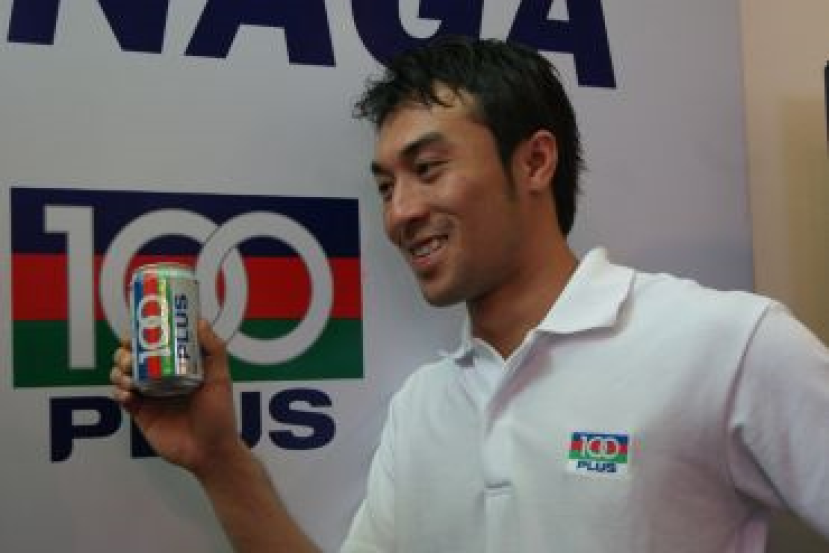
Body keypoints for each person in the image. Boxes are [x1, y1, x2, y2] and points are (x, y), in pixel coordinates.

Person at [111, 36, 829, 552]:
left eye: (427, 168)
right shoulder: (422, 406)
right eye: (386, 186)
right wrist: (218, 459)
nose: (400, 212)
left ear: (535, 161)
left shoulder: (726, 343)